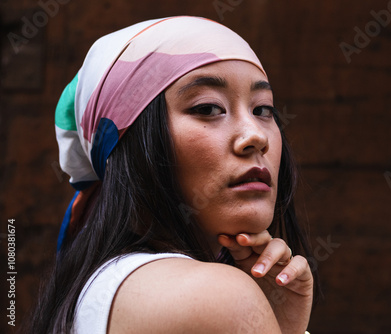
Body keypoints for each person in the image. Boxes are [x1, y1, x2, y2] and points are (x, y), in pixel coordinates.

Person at [24, 16, 317, 333]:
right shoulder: (215, 296)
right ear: (132, 142)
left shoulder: (97, 291)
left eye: (262, 109)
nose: (255, 137)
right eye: (207, 108)